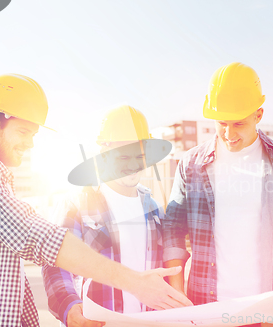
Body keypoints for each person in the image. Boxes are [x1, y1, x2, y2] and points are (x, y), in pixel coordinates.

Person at [0, 75, 191, 327]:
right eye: (24, 131)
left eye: (33, 134)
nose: (30, 144)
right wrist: (130, 284)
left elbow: (3, 276)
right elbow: (42, 241)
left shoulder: (153, 207)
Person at [162, 62, 273, 325]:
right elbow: (173, 229)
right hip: (206, 310)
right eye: (221, 123)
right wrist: (176, 297)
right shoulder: (192, 164)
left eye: (238, 124)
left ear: (258, 115)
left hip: (268, 311)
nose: (229, 134)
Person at [42, 105, 169, 327]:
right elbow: (55, 264)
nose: (132, 165)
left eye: (139, 156)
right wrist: (69, 305)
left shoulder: (155, 210)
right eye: (122, 157)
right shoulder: (77, 204)